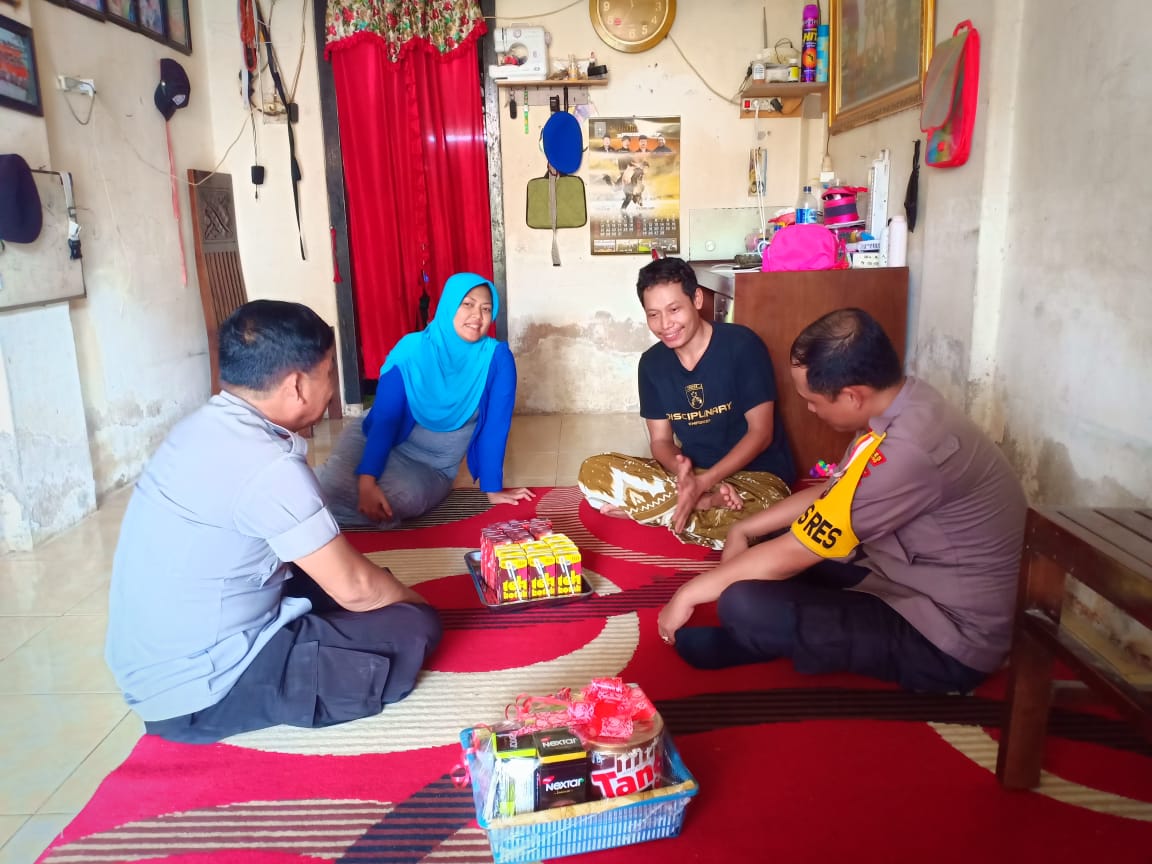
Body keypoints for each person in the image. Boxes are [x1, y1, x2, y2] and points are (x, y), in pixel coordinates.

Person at [105, 300, 443, 743]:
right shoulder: (269, 465)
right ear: (297, 386)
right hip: (203, 691)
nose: (331, 389)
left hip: (156, 663)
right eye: (328, 375)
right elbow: (356, 589)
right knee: (411, 626)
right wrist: (416, 605)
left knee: (343, 579)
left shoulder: (199, 428)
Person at [657, 308, 1028, 694]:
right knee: (763, 547)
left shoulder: (906, 451)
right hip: (898, 573)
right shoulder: (903, 404)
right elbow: (832, 491)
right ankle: (769, 634)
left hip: (949, 635)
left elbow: (799, 549)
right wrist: (745, 528)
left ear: (853, 395)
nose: (809, 409)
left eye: (813, 400)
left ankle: (764, 636)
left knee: (745, 602)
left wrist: (689, 594)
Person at [579, 257, 795, 549]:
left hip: (759, 479)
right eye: (653, 315)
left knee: (763, 518)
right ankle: (697, 507)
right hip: (695, 474)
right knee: (593, 470)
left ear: (696, 298)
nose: (665, 325)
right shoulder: (651, 364)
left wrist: (706, 483)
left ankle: (663, 511)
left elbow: (761, 432)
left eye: (674, 310)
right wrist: (687, 477)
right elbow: (660, 441)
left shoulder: (742, 346)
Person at [318, 272, 533, 529]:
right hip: (375, 438)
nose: (477, 315)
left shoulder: (497, 358)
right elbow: (386, 419)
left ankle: (324, 505)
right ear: (448, 305)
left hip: (431, 466)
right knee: (337, 484)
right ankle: (329, 490)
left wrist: (492, 488)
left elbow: (495, 427)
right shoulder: (412, 350)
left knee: (404, 498)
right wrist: (367, 481)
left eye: (486, 309)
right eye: (467, 304)